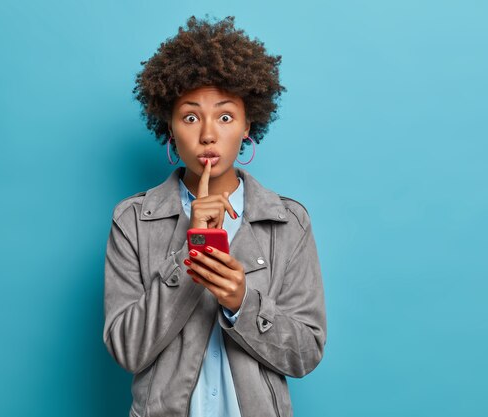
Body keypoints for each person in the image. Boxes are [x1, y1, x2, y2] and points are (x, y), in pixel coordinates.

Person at [103, 15, 327, 417]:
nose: (208, 134)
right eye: (190, 117)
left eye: (225, 117)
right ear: (169, 128)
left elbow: (306, 353)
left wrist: (242, 303)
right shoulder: (132, 220)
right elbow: (127, 349)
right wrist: (189, 253)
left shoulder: (288, 222)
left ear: (247, 126)